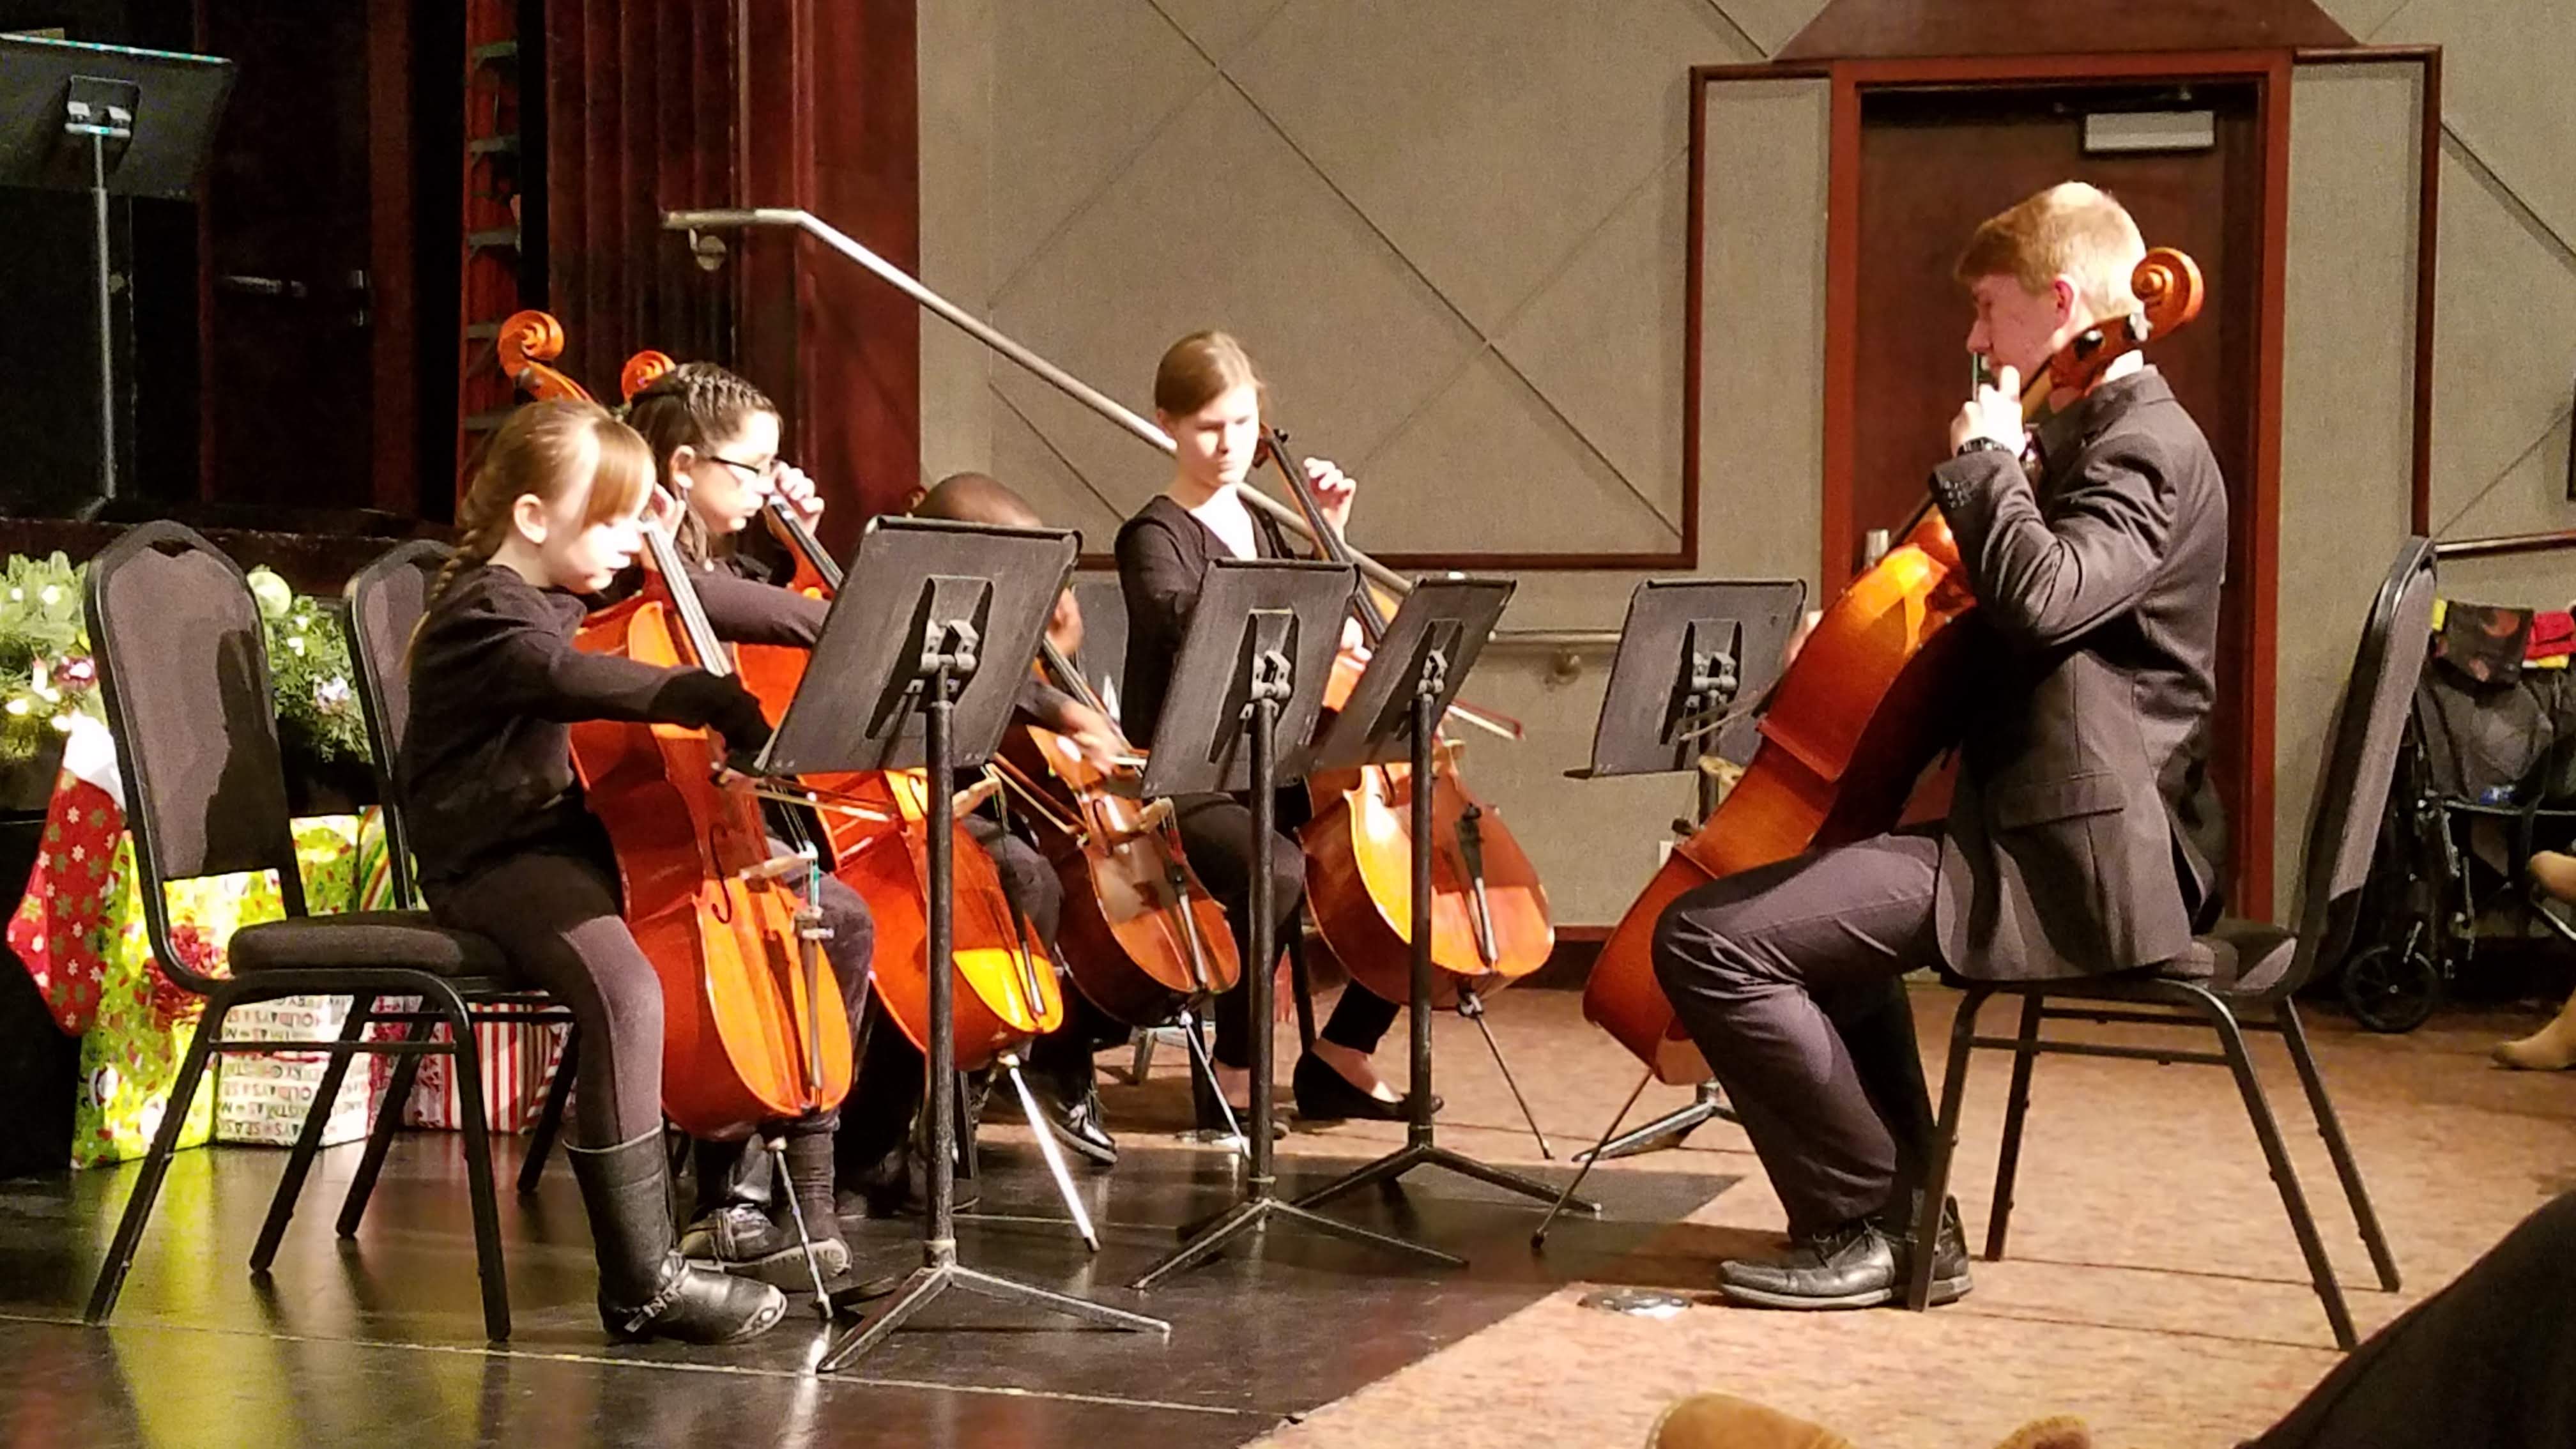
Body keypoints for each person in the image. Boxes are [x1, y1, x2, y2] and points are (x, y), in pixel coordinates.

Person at [1649, 181, 2230, 1310]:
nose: (1974, 338)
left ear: (2060, 302)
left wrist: (1986, 468)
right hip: (2015, 824)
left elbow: (2048, 598)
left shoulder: (2144, 449)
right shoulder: (2088, 438)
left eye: (1989, 309)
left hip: (2074, 858)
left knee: (1710, 941)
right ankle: (1908, 1222)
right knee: (1806, 920)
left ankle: (1863, 1215)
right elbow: (2008, 628)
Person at [400, 398, 793, 1343]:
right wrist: (705, 696)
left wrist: (815, 614)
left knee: (812, 915)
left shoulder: (556, 592)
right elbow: (565, 675)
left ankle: (795, 1203)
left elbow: (671, 603)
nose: (632, 540)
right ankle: (641, 1281)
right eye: (611, 519)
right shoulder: (485, 615)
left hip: (562, 846)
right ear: (533, 519)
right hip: (492, 862)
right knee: (625, 990)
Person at [1114, 330, 1423, 1125]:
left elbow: (1326, 629)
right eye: (1209, 426)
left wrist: (1332, 537)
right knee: (1276, 872)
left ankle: (1345, 1051)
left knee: (1409, 869)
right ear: (1167, 425)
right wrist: (1312, 618)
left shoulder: (1268, 527)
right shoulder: (1153, 536)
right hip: (1188, 774)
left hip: (1278, 767)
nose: (1228, 445)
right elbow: (1193, 628)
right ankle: (1235, 1068)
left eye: (1243, 425)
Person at [620, 363, 874, 1289]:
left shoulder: (718, 560)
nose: (770, 486)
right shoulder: (628, 558)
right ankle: (734, 1194)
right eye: (753, 469)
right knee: (822, 920)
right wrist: (834, 608)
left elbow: (750, 621)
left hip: (710, 827)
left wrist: (802, 552)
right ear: (683, 466)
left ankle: (783, 1189)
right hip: (618, 836)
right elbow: (717, 605)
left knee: (835, 915)